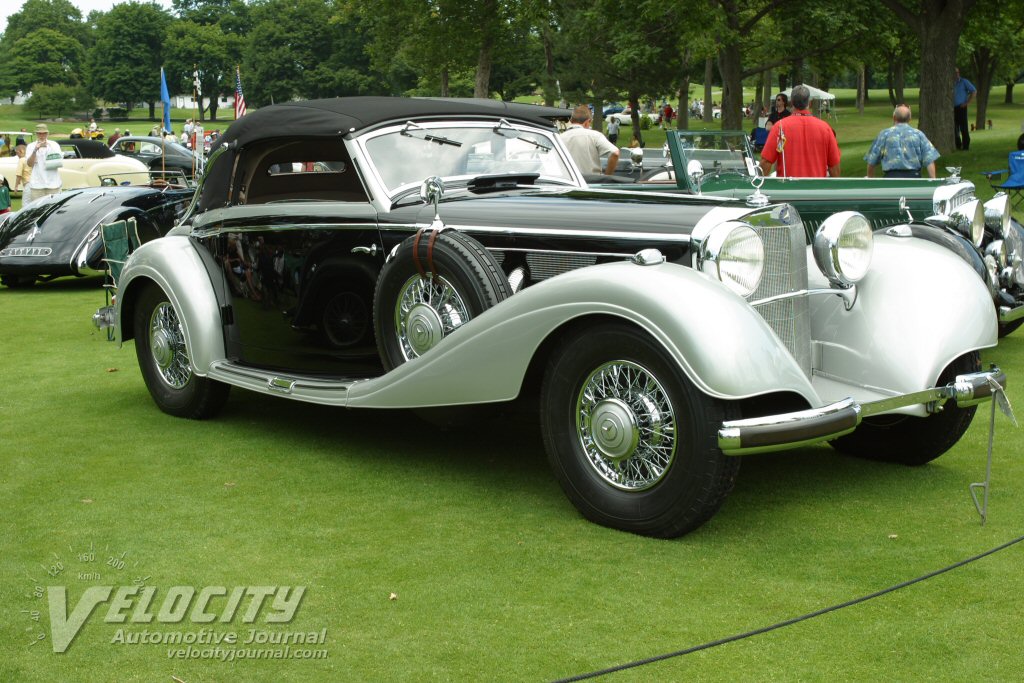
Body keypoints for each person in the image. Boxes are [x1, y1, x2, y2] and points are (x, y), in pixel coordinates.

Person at [759, 84, 841, 178]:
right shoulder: (825, 128)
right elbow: (834, 167)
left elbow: (765, 162)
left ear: (791, 102)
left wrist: (759, 187)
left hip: (788, 189)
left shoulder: (780, 127)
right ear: (809, 103)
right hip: (817, 190)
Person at [864, 104, 939, 179]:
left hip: (890, 179)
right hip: (914, 178)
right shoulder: (919, 134)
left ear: (894, 117)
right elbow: (929, 160)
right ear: (910, 119)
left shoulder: (884, 134)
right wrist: (933, 180)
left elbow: (871, 161)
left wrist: (870, 179)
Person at [560, 105, 619, 176]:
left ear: (571, 120)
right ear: (588, 121)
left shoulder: (560, 137)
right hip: (591, 182)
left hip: (568, 181)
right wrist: (607, 176)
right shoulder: (595, 136)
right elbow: (615, 153)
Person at [24, 123, 63, 204]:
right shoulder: (31, 146)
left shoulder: (54, 145)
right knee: (38, 209)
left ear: (47, 134)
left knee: (53, 208)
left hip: (53, 183)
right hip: (37, 185)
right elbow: (30, 164)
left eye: (44, 133)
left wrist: (48, 147)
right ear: (36, 134)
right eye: (39, 133)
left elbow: (58, 162)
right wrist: (35, 150)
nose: (42, 135)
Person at [953, 67, 976, 151]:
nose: (956, 74)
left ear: (959, 73)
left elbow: (974, 91)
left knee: (963, 127)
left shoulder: (964, 82)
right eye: (954, 73)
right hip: (951, 109)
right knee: (954, 128)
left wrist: (967, 103)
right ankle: (957, 145)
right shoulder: (950, 83)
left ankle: (966, 146)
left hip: (961, 107)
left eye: (957, 72)